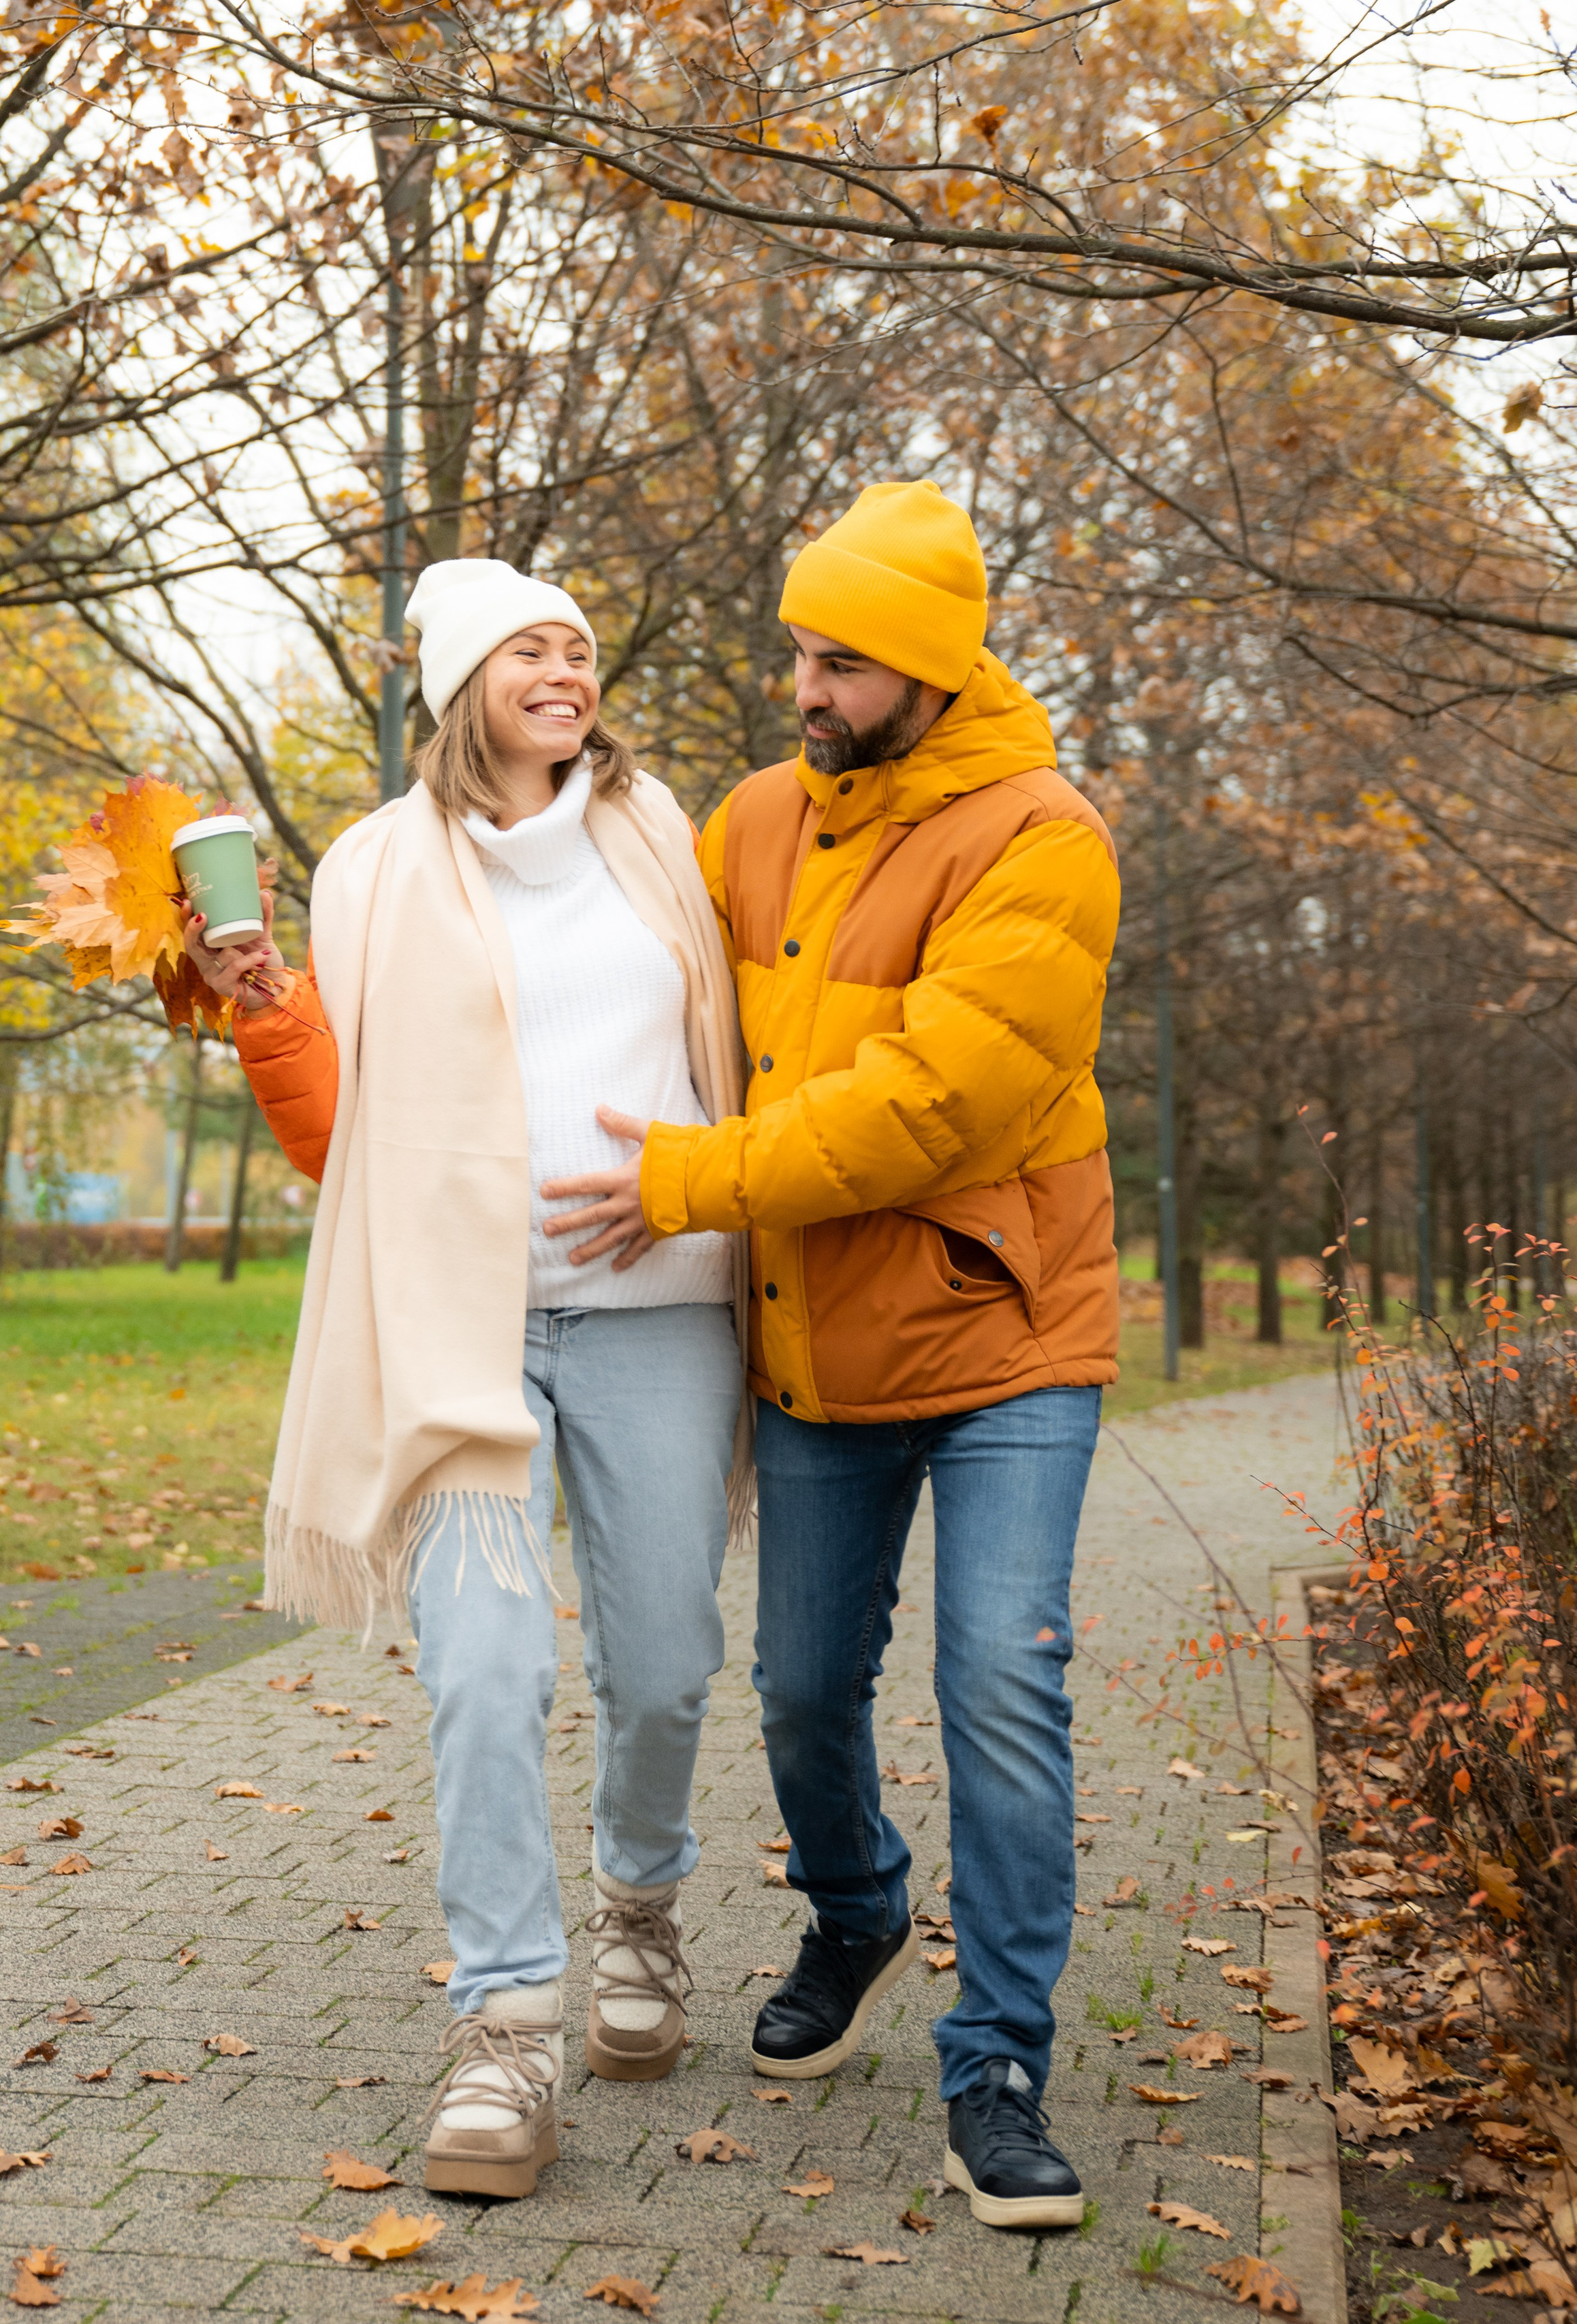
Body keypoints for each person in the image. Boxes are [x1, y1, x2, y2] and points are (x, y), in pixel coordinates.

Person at [540, 481, 1121, 2232]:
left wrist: (688, 1182)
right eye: (798, 650)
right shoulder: (748, 821)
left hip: (1009, 1331)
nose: (807, 687)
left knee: (999, 1681)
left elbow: (936, 1100)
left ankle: (994, 2065)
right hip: (813, 1338)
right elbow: (591, 953)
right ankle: (857, 1907)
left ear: (933, 673)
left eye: (844, 663)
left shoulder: (1041, 836)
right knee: (799, 1690)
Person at [179, 557, 751, 2201]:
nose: (566, 671)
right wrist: (266, 1012)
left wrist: (695, 1184)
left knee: (663, 1665)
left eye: (579, 647)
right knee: (485, 1672)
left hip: (657, 1313)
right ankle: (504, 2030)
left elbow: (734, 1049)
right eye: (530, 650)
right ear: (459, 689)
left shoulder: (660, 837)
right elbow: (339, 1136)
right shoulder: (373, 867)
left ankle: (640, 1913)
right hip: (459, 1332)